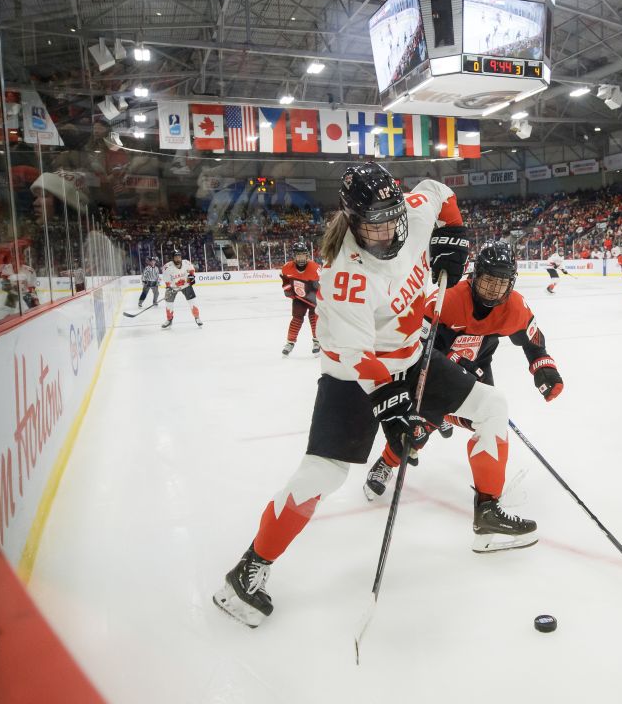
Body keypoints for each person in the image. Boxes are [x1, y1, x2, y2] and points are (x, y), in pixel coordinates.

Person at [213, 162, 531, 629]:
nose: (384, 232)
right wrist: (394, 409)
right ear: (352, 220)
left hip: (410, 354)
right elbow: (357, 359)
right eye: (371, 224)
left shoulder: (413, 212)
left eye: (390, 218)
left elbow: (440, 192)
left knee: (492, 406)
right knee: (324, 473)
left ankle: (487, 515)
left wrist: (455, 239)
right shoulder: (345, 277)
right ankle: (248, 571)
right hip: (351, 372)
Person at [362, 241, 564, 504]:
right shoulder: (447, 301)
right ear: (475, 275)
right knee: (417, 429)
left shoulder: (514, 307)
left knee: (490, 419)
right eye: (488, 280)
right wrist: (452, 360)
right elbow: (416, 347)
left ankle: (486, 497)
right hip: (435, 368)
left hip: (478, 368)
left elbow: (533, 339)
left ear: (511, 284)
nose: (493, 289)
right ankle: (386, 462)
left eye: (501, 283)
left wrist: (544, 367)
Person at [279, 241, 321, 356]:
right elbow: (286, 282)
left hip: (313, 298)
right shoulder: (287, 268)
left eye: (303, 255)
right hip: (299, 298)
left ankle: (317, 341)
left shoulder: (314, 268)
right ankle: (290, 342)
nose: (301, 258)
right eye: (298, 255)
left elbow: (322, 285)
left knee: (315, 319)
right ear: (294, 256)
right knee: (296, 319)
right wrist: (288, 290)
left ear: (307, 255)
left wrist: (320, 298)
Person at [159, 248, 202, 328]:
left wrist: (191, 279)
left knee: (192, 302)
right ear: (173, 258)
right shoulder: (167, 267)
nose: (178, 258)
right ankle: (169, 320)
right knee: (169, 303)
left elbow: (192, 271)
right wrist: (169, 288)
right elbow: (167, 280)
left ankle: (197, 317)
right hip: (173, 287)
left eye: (179, 256)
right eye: (176, 257)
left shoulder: (186, 263)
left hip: (186, 285)